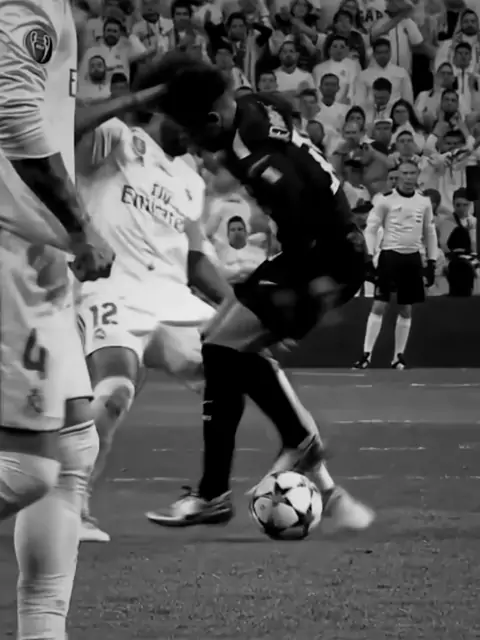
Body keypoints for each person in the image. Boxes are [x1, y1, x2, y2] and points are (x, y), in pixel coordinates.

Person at [139, 53, 375, 531]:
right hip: (313, 256)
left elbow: (299, 205)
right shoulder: (252, 109)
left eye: (194, 133)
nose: (195, 146)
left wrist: (313, 290)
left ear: (212, 118)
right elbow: (280, 107)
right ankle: (273, 456)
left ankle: (222, 488)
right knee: (221, 346)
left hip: (324, 262)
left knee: (224, 347)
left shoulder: (257, 155)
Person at [0, 0, 110, 636]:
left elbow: (47, 113)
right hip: (12, 247)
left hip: (37, 252)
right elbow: (14, 116)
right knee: (26, 468)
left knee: (72, 448)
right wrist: (81, 225)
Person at [75, 112, 232, 542]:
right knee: (114, 391)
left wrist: (239, 307)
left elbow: (195, 257)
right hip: (112, 288)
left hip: (170, 299)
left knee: (248, 363)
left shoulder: (190, 179)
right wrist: (141, 97)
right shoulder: (117, 139)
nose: (195, 132)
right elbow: (65, 125)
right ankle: (72, 507)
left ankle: (307, 474)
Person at [352, 160, 438, 370]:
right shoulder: (384, 200)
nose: (408, 177)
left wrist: (432, 261)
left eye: (412, 173)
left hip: (412, 257)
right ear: (398, 175)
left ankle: (398, 356)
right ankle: (366, 354)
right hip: (390, 255)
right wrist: (369, 256)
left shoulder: (424, 202)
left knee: (406, 308)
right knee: (379, 304)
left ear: (417, 175)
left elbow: (429, 231)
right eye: (404, 173)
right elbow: (371, 228)